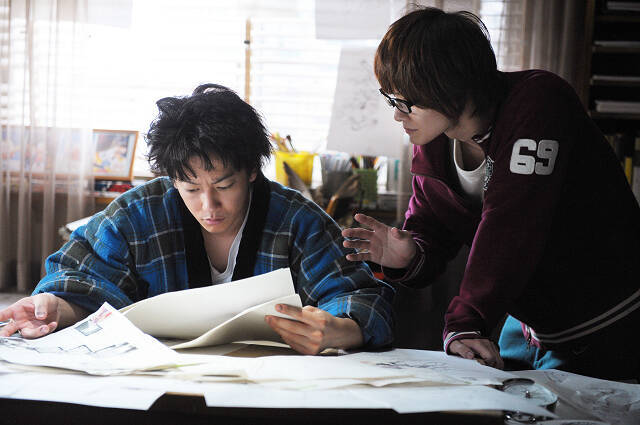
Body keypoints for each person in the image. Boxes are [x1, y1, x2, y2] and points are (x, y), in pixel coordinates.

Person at [342, 7, 640, 380]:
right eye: (392, 100)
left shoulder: (539, 101)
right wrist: (410, 255)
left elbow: (513, 224)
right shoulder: (433, 139)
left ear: (448, 85)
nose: (397, 115)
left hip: (609, 326)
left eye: (406, 102)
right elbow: (430, 228)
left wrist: (464, 321)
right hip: (527, 329)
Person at [0, 83, 394, 355]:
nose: (209, 206)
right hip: (157, 385)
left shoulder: (298, 220)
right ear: (172, 179)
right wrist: (56, 307)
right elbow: (83, 279)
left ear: (251, 171)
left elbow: (358, 295)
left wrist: (341, 329)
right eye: (190, 188)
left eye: (224, 185)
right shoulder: (137, 214)